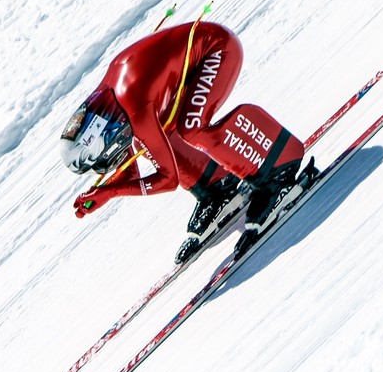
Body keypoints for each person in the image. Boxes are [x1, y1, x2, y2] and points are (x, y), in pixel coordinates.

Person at [59, 19, 316, 262]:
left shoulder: (135, 110)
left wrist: (111, 191)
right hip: (194, 60)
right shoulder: (111, 105)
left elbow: (168, 179)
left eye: (103, 160)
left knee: (192, 127)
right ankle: (216, 187)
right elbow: (129, 169)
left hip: (218, 48)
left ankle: (278, 168)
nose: (107, 165)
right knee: (152, 139)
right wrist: (103, 192)